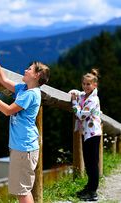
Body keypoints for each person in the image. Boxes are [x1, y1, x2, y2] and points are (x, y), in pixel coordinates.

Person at [0, 41, 50, 203]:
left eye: (29, 69)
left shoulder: (31, 94)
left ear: (37, 76)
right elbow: (3, 79)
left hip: (24, 148)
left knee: (22, 190)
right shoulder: (24, 89)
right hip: (22, 146)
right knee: (22, 188)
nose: (25, 70)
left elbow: (8, 110)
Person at [69, 69, 102, 201]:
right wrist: (74, 92)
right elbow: (78, 93)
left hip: (93, 134)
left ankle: (93, 192)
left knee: (93, 163)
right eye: (83, 84)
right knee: (88, 162)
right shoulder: (85, 95)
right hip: (87, 134)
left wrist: (74, 103)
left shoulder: (93, 99)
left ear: (95, 85)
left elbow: (81, 114)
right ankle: (89, 187)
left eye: (88, 84)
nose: (85, 86)